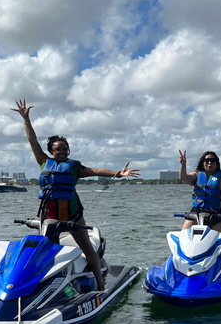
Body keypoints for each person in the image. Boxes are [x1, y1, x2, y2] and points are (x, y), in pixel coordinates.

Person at [12, 99, 139, 291]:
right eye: (58, 149)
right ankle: (44, 286)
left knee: (87, 248)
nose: (62, 151)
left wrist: (118, 174)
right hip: (49, 216)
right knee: (46, 252)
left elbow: (95, 170)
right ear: (51, 152)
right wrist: (26, 119)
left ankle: (100, 282)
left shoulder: (74, 167)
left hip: (73, 214)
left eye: (65, 148)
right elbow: (33, 141)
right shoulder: (43, 161)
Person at [178, 150, 221, 269]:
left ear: (217, 164)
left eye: (212, 161)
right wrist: (183, 164)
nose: (209, 163)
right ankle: (179, 267)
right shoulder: (196, 175)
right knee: (182, 241)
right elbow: (184, 178)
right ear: (203, 163)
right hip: (196, 214)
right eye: (207, 160)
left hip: (216, 215)